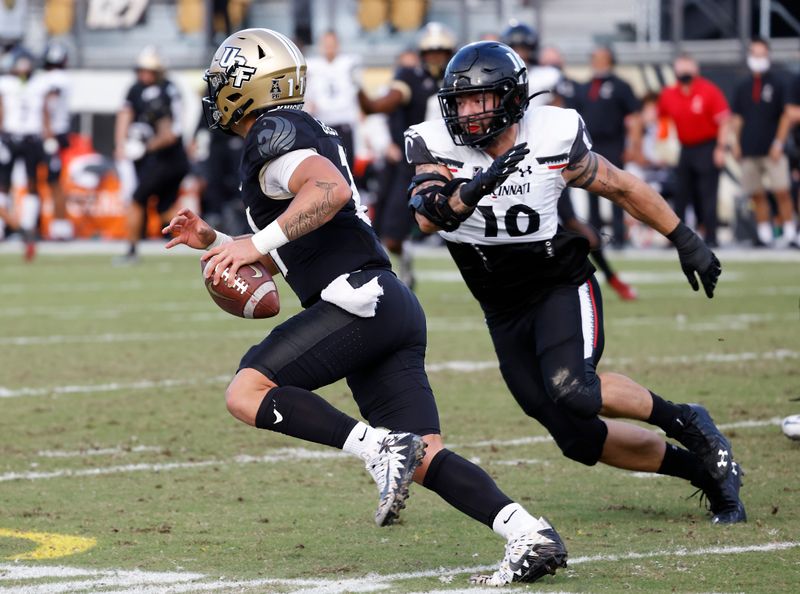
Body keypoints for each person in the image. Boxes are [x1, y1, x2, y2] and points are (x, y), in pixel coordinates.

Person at [164, 28, 567, 587]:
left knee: (245, 392)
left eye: (223, 82)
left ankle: (378, 449)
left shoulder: (272, 133)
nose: (215, 93)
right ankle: (528, 532)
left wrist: (251, 245)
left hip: (358, 302)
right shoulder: (295, 135)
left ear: (250, 86)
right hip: (385, 302)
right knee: (425, 457)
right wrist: (215, 241)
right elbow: (297, 252)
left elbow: (325, 193)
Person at [405, 40, 745, 525]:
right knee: (577, 439)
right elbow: (427, 217)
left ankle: (690, 421)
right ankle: (707, 474)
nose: (467, 113)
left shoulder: (553, 134)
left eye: (478, 99)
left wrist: (683, 236)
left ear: (511, 98)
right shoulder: (434, 141)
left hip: (558, 284)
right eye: (459, 101)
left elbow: (622, 186)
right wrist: (472, 191)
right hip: (501, 307)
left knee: (575, 390)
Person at [358, 22, 456, 288]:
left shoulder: (460, 77)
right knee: (388, 235)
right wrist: (366, 100)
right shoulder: (411, 77)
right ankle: (404, 259)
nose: (436, 57)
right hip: (414, 163)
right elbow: (389, 100)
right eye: (431, 51)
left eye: (441, 51)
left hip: (458, 161)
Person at [540, 44, 638, 300]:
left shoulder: (551, 83)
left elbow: (561, 111)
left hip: (545, 164)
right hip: (511, 165)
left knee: (573, 221)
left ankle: (611, 275)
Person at [113, 46, 189, 264]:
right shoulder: (136, 89)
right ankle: (209, 241)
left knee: (137, 199)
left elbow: (171, 134)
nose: (144, 75)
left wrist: (144, 148)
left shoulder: (166, 91)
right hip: (158, 158)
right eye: (142, 70)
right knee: (166, 209)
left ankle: (131, 251)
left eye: (150, 71)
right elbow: (124, 114)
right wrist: (121, 144)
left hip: (168, 158)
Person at [572, 45, 643, 249]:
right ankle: (595, 237)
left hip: (613, 143)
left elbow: (634, 117)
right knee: (590, 188)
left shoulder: (621, 86)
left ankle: (620, 237)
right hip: (589, 145)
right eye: (594, 58)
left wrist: (633, 144)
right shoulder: (584, 87)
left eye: (600, 58)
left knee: (617, 189)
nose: (596, 62)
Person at [658, 53, 730, 247]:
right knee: (681, 193)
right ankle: (676, 238)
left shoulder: (708, 90)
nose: (684, 72)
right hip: (685, 148)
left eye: (687, 67)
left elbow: (723, 121)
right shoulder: (669, 94)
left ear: (695, 69)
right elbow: (662, 120)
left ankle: (711, 237)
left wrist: (721, 148)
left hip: (707, 145)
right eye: (680, 68)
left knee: (707, 194)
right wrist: (663, 147)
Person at [730, 38, 796, 248]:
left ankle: (790, 232)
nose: (757, 59)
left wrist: (778, 144)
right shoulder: (742, 85)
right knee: (756, 194)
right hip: (749, 149)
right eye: (754, 54)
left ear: (768, 56)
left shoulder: (779, 83)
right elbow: (737, 118)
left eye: (761, 54)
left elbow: (786, 116)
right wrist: (736, 143)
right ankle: (764, 235)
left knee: (782, 191)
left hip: (772, 149)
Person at [0, 47, 45, 260]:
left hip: (31, 138)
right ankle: (9, 228)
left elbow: (45, 110)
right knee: (3, 184)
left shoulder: (39, 83)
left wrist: (48, 136)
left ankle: (28, 227)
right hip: (9, 137)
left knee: (32, 182)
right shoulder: (6, 83)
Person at [304, 30, 361, 172]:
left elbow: (358, 92)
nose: (329, 47)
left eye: (332, 44)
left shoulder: (349, 64)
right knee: (325, 168)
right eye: (326, 44)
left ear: (338, 45)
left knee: (347, 167)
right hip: (322, 125)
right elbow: (308, 97)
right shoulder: (311, 66)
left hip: (344, 123)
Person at [40, 40, 73, 241]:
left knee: (51, 182)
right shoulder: (64, 78)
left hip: (48, 134)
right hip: (56, 134)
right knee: (50, 181)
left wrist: (48, 133)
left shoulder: (51, 80)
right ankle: (58, 225)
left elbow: (48, 105)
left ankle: (59, 226)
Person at [500, 22, 560, 108]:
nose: (519, 54)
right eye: (515, 49)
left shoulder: (549, 75)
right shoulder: (500, 76)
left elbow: (558, 106)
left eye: (523, 49)